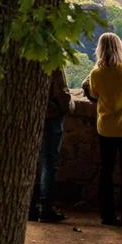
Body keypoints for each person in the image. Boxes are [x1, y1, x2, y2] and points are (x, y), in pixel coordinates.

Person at [84, 33, 122, 226]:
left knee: (106, 171)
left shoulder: (96, 73)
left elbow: (94, 94)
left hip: (105, 127)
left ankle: (107, 215)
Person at [29, 68, 75, 222]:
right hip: (50, 115)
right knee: (49, 162)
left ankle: (29, 206)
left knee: (28, 160)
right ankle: (45, 208)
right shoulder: (52, 58)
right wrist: (66, 108)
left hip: (27, 114)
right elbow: (61, 93)